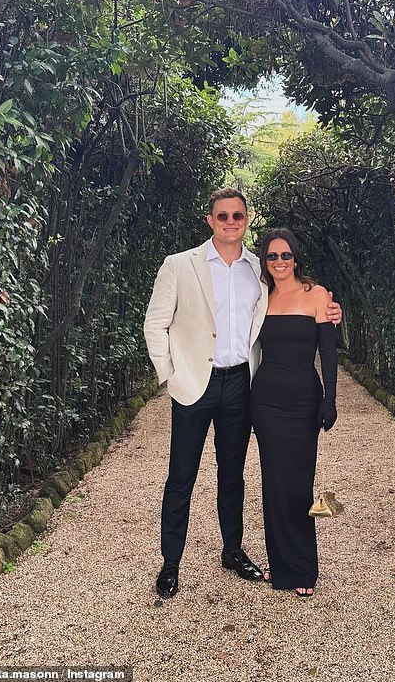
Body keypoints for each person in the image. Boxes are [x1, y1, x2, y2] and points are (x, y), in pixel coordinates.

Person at [143, 188, 341, 598]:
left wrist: (332, 313)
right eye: (222, 216)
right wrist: (172, 376)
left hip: (242, 384)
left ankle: (232, 551)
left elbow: (299, 309)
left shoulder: (259, 270)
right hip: (195, 384)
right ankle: (170, 562)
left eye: (237, 215)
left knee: (232, 475)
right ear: (210, 220)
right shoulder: (180, 265)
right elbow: (154, 325)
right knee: (181, 476)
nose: (230, 221)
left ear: (246, 220)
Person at [250, 228, 338, 597]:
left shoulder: (317, 295)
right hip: (265, 401)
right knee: (273, 482)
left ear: (296, 258)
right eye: (272, 257)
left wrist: (329, 400)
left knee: (299, 483)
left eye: (286, 256)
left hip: (303, 400)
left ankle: (303, 568)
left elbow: (329, 353)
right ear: (265, 263)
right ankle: (281, 564)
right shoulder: (259, 298)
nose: (280, 262)